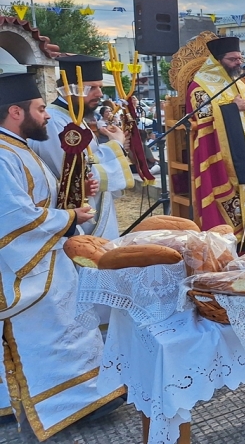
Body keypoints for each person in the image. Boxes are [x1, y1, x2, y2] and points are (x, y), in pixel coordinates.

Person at [0, 73, 125, 440]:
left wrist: (70, 198)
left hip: (44, 259)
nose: (46, 116)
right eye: (40, 109)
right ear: (15, 112)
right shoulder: (3, 155)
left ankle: (76, 398)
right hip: (25, 268)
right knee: (48, 331)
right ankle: (64, 402)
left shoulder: (15, 147)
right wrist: (70, 217)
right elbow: (15, 217)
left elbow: (35, 201)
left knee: (62, 326)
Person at [185, 36, 245, 248]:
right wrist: (231, 109)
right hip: (223, 159)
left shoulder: (237, 83)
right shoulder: (200, 86)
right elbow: (202, 117)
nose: (239, 63)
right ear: (218, 60)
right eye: (233, 59)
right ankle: (232, 245)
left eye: (240, 58)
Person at [29, 55, 133, 240]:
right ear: (69, 88)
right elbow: (75, 175)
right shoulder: (55, 123)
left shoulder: (74, 119)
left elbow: (89, 159)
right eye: (92, 87)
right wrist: (117, 145)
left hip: (92, 211)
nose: (100, 94)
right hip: (77, 220)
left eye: (100, 87)